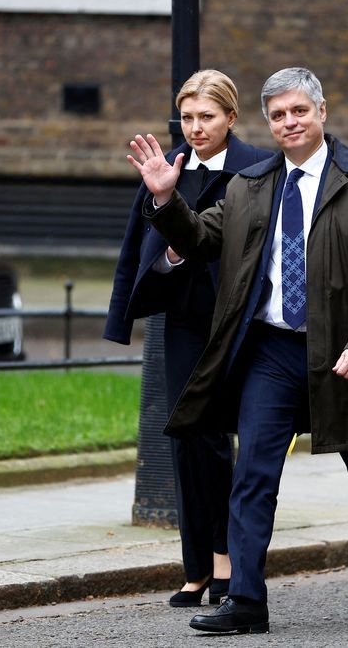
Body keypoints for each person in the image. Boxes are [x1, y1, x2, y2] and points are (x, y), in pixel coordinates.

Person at [125, 66, 348, 634]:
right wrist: (165, 199)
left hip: (343, 352)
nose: (289, 123)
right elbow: (201, 238)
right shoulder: (250, 186)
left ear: (321, 112)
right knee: (253, 472)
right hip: (271, 352)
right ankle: (247, 600)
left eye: (299, 111)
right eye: (278, 115)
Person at [104, 69, 272, 609]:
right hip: (182, 324)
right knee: (187, 443)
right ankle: (196, 568)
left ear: (231, 118)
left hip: (241, 325)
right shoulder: (166, 169)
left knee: (228, 448)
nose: (196, 128)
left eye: (208, 117)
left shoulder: (258, 170)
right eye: (188, 118)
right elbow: (140, 249)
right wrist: (171, 251)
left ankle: (228, 561)